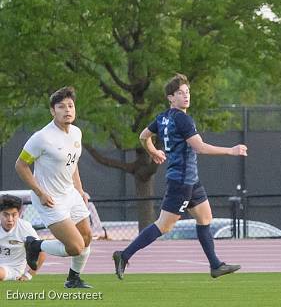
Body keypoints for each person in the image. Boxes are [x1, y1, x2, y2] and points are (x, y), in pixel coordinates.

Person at [113, 73, 247, 280]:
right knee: (164, 225)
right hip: (181, 181)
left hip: (190, 180)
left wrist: (153, 151)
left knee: (205, 218)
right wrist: (232, 150)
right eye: (180, 93)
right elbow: (200, 148)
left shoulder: (163, 117)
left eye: (187, 92)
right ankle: (124, 254)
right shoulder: (182, 119)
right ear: (170, 98)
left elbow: (143, 136)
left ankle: (215, 265)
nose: (186, 96)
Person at [15, 86, 93, 289]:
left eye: (70, 105)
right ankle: (35, 245)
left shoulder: (76, 133)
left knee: (87, 237)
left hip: (70, 193)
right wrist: (40, 192)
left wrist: (80, 190)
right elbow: (20, 165)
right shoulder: (42, 137)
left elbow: (72, 164)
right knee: (75, 246)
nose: (67, 110)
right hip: (49, 198)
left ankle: (73, 279)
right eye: (61, 106)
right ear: (52, 111)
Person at [0, 195, 46, 282]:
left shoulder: (25, 227)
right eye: (5, 215)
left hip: (12, 269)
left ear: (19, 213)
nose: (10, 219)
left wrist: (28, 275)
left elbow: (41, 252)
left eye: (14, 215)